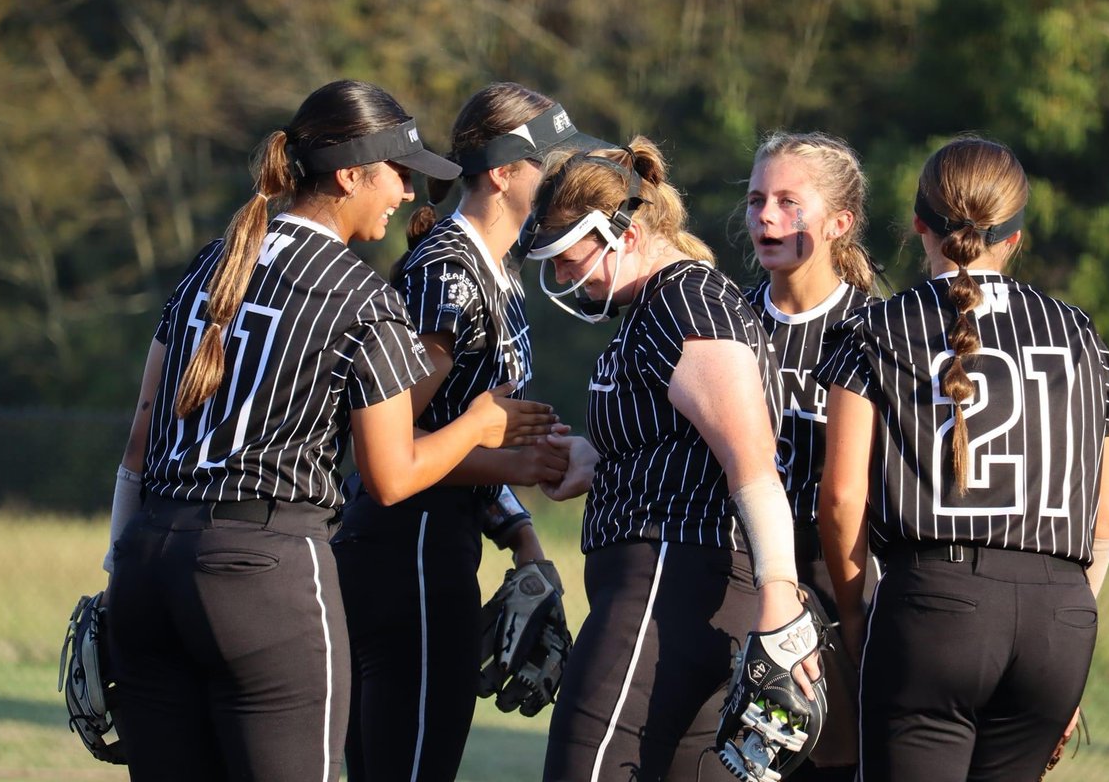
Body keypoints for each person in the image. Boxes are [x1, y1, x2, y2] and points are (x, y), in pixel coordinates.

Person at [101, 79, 556, 782]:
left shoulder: (211, 265)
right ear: (350, 174)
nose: (407, 194)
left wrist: (116, 574)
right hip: (265, 575)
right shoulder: (360, 295)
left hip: (145, 567)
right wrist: (479, 424)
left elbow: (139, 440)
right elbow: (391, 474)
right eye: (397, 175)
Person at [814, 136, 1109, 782]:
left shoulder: (877, 330)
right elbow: (1102, 517)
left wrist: (852, 617)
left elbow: (843, 499)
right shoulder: (1081, 336)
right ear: (1015, 237)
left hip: (935, 605)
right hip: (1060, 616)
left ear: (919, 225)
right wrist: (1065, 620)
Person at [520, 138, 820, 782]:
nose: (566, 279)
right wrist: (595, 461)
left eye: (571, 260)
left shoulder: (684, 300)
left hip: (669, 585)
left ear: (622, 234)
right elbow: (683, 449)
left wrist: (781, 600)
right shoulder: (654, 306)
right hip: (664, 584)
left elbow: (753, 462)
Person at [330, 81, 606, 782]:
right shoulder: (448, 272)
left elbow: (469, 438)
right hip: (403, 551)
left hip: (437, 546)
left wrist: (523, 540)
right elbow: (388, 451)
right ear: (503, 171)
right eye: (550, 159)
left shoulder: (498, 273)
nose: (564, 175)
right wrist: (526, 465)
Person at [741, 131, 879, 781]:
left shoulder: (878, 331)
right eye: (756, 199)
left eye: (789, 202)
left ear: (839, 223)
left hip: (842, 596)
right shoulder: (727, 324)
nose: (766, 216)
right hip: (743, 593)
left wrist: (858, 618)